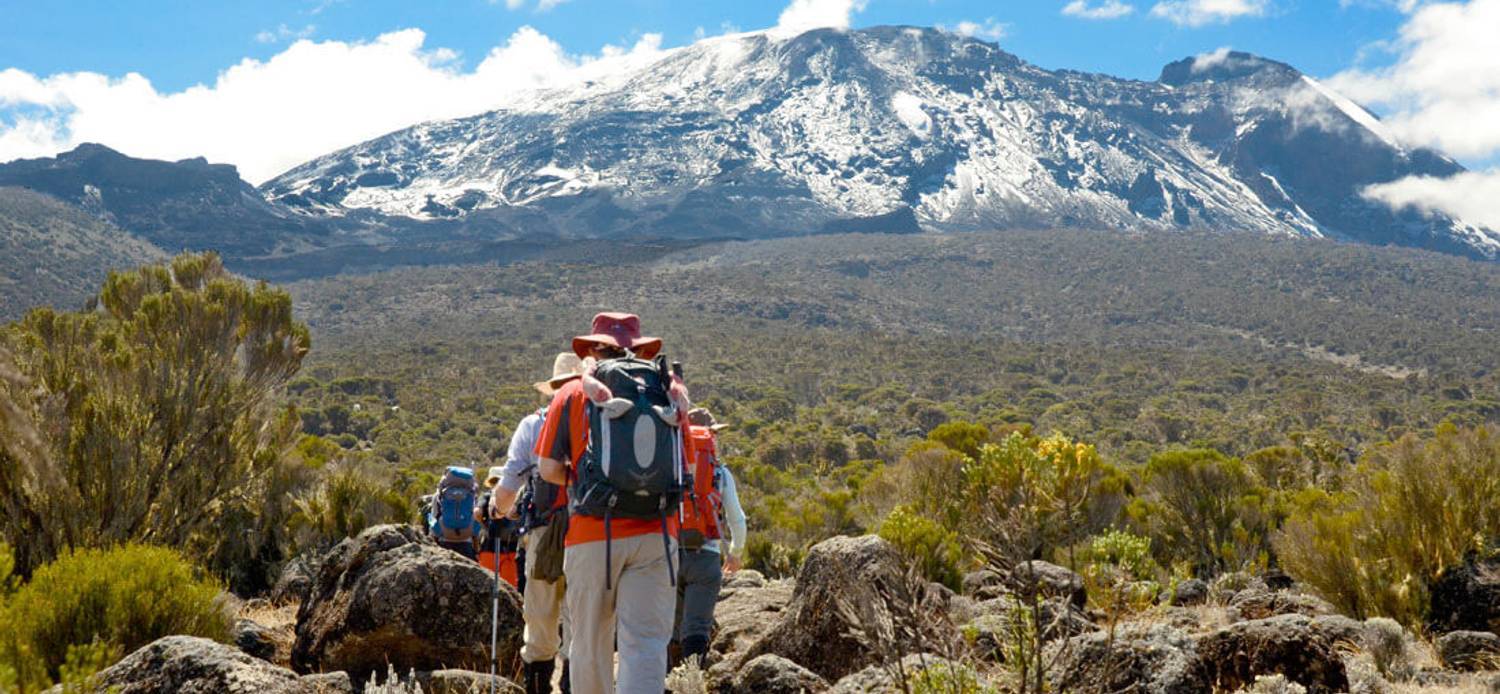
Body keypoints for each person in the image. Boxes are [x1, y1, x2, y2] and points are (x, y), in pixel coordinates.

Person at [536, 312, 690, 694]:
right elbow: (683, 464)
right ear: (639, 349)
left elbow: (548, 467)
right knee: (646, 643)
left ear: (592, 348)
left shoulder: (573, 392)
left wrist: (583, 479)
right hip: (657, 534)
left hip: (592, 534)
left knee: (590, 643)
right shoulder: (665, 391)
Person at [489, 353, 584, 694]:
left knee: (541, 620)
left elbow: (510, 482)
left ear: (552, 389)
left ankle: (539, 688)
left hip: (543, 534)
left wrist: (498, 509)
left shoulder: (534, 424)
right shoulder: (597, 422)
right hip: (587, 534)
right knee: (579, 623)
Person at [672, 408, 748, 668]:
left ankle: (667, 683)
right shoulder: (720, 472)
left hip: (669, 555)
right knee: (697, 627)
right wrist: (735, 553)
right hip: (706, 558)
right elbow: (737, 518)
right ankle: (693, 680)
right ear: (710, 435)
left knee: (671, 627)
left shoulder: (670, 466)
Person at [477, 465, 524, 591]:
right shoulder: (516, 496)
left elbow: (477, 513)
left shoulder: (487, 496)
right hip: (512, 548)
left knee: (488, 587)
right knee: (510, 589)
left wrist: (485, 525)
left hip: (489, 546)